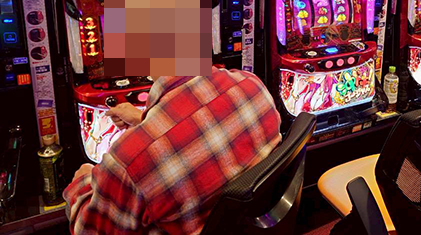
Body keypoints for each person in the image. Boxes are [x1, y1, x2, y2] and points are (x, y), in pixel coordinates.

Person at [63, 67, 282, 234]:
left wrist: (82, 183)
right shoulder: (253, 85)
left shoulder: (128, 163)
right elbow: (201, 128)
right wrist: (145, 120)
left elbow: (90, 229)